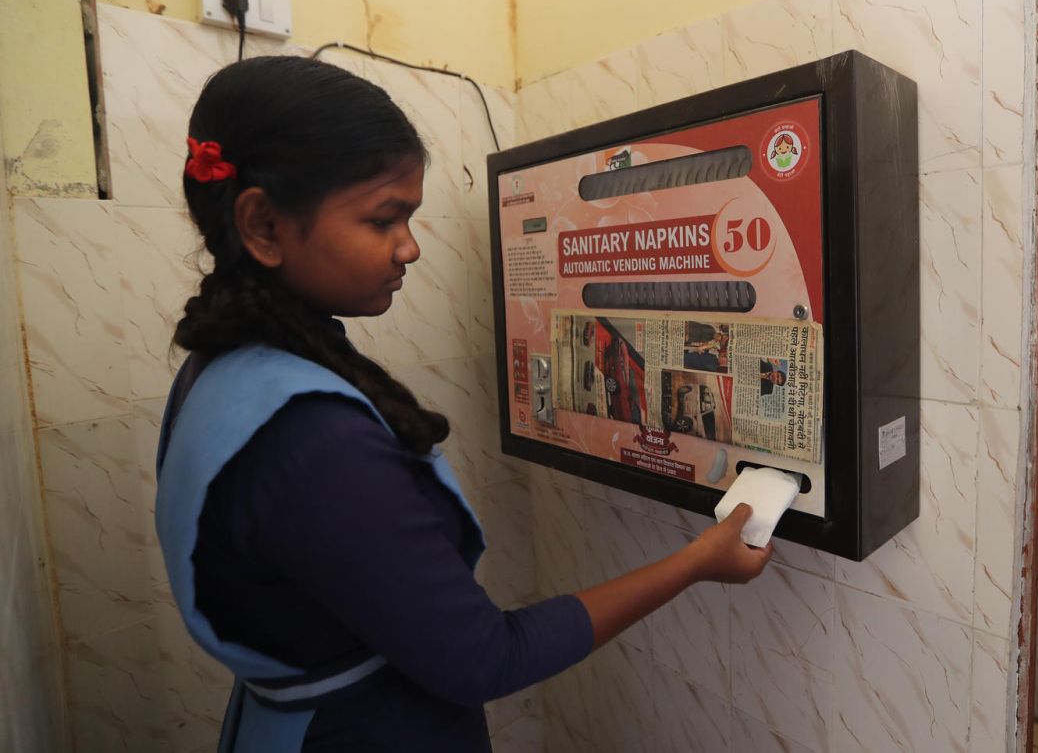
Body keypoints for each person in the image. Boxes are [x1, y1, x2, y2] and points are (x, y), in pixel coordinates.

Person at [154, 56, 772, 753]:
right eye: (383, 218)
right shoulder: (309, 438)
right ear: (263, 223)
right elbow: (486, 657)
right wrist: (696, 562)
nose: (409, 247)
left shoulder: (220, 370)